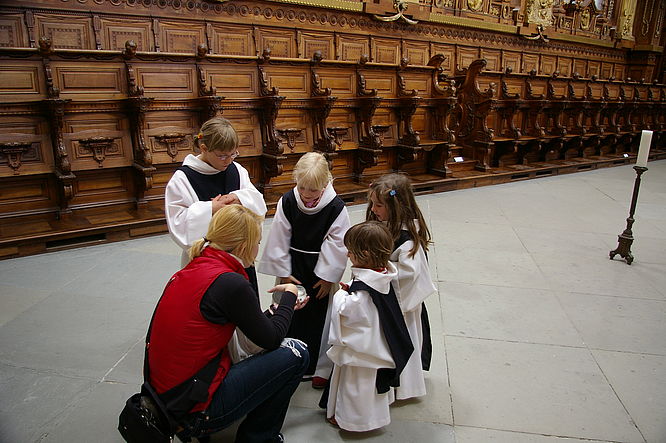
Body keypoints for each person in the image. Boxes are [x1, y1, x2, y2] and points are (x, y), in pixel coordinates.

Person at [147, 205, 309, 443]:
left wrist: (277, 310)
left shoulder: (196, 266)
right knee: (297, 351)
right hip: (193, 411)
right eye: (257, 243)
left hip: (164, 398)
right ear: (244, 246)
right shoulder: (231, 283)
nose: (257, 249)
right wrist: (290, 296)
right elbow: (271, 339)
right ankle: (260, 437)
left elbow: (249, 324)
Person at [258, 152, 351, 385]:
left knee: (318, 317)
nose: (307, 195)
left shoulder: (336, 207)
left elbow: (338, 243)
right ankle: (284, 359)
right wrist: (282, 269)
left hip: (320, 270)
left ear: (326, 183)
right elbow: (280, 235)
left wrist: (329, 277)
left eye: (313, 190)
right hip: (292, 266)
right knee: (289, 311)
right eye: (302, 188)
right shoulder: (288, 201)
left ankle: (316, 365)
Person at [324, 221, 413, 432]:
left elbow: (349, 312)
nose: (347, 256)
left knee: (356, 386)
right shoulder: (382, 276)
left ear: (364, 254)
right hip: (378, 343)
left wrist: (341, 294)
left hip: (362, 350)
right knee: (369, 387)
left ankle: (352, 420)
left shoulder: (364, 290)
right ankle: (372, 417)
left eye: (351, 252)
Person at [366, 173, 436, 401]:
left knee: (398, 341)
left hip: (401, 305)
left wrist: (377, 270)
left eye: (379, 205)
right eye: (372, 204)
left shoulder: (407, 241)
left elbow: (408, 276)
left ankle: (403, 386)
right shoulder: (384, 224)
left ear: (397, 207)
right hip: (384, 294)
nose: (374, 209)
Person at [165, 117, 267, 269]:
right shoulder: (182, 179)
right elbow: (177, 223)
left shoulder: (236, 170)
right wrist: (210, 209)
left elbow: (257, 202)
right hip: (205, 260)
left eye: (233, 154)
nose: (228, 161)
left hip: (240, 253)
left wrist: (239, 197)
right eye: (222, 156)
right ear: (204, 148)